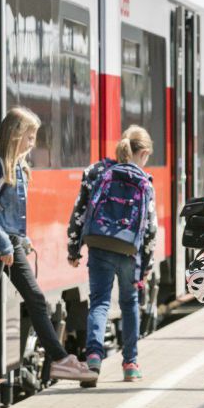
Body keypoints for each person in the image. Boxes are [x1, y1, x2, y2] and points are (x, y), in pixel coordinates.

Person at [0, 107, 96, 383]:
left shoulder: (17, 166)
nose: (32, 143)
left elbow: (7, 212)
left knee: (36, 299)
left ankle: (60, 360)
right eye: (29, 137)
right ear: (15, 136)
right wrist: (4, 245)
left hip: (8, 242)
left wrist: (21, 240)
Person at [66, 126, 157, 385]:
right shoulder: (143, 179)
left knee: (99, 303)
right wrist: (147, 266)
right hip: (130, 252)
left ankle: (93, 358)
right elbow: (150, 228)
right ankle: (130, 364)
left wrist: (74, 249)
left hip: (99, 246)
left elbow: (79, 213)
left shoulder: (96, 172)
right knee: (129, 304)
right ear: (144, 153)